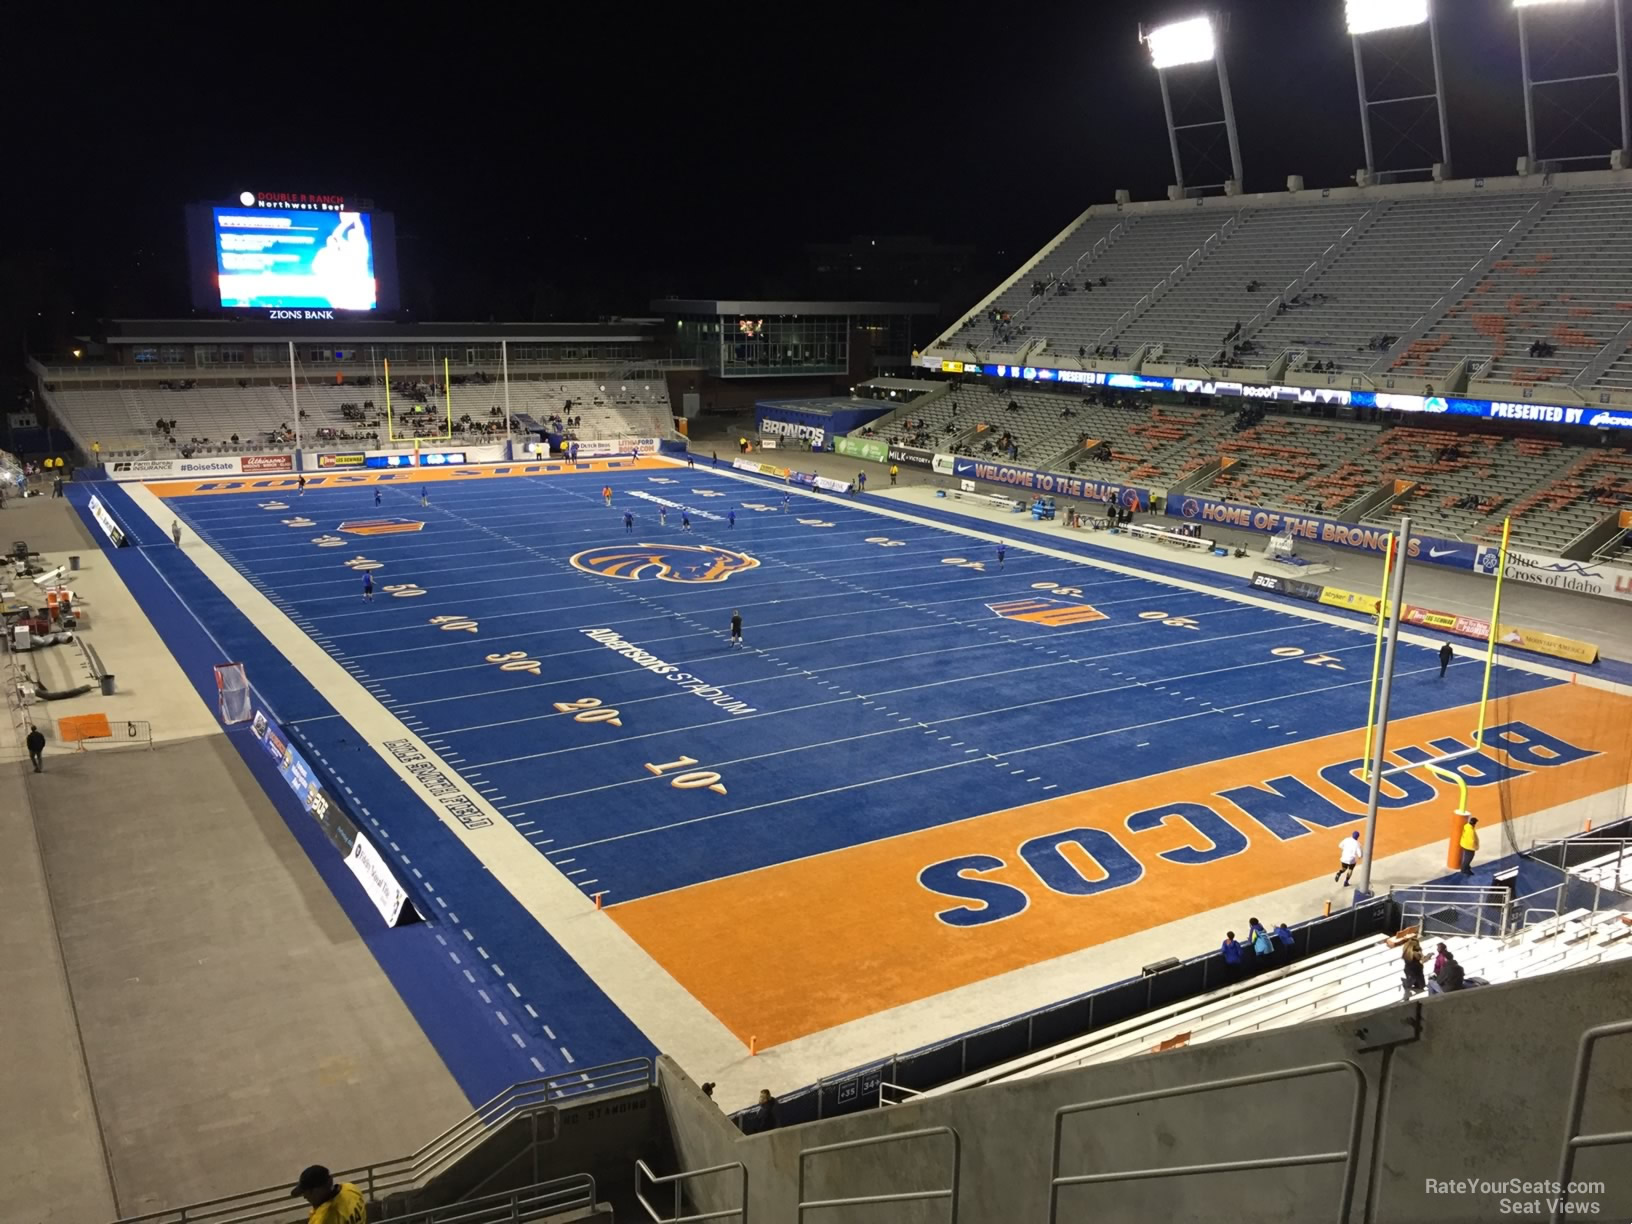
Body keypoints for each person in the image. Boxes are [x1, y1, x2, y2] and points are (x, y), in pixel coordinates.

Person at [290, 1165, 366, 1224]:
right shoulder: (351, 1188)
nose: (304, 1196)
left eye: (306, 1192)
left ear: (317, 1191)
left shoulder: (322, 1219)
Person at [1400, 935, 1427, 1000]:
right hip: (1416, 971)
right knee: (1421, 985)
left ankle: (1407, 985)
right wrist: (1426, 958)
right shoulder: (1415, 954)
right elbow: (1422, 961)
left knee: (1414, 983)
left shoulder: (1406, 951)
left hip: (1409, 970)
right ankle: (1406, 985)